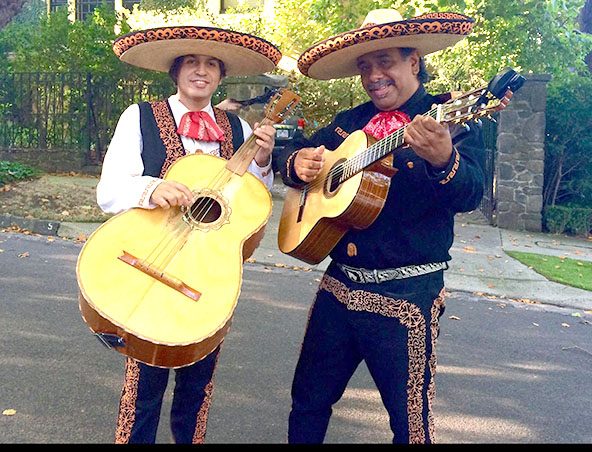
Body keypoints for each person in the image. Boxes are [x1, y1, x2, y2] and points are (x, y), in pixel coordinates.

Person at [276, 9, 490, 443]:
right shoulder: (349, 123)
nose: (374, 75)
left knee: (411, 424)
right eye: (365, 66)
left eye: (385, 61)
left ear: (414, 61)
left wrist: (444, 160)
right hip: (338, 287)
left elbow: (469, 194)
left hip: (406, 295)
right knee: (307, 403)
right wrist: (296, 165)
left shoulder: (446, 115)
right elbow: (294, 152)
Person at [96, 23, 281, 443]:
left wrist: (264, 161)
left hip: (211, 270)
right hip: (151, 261)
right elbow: (108, 191)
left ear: (221, 75)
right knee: (144, 384)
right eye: (192, 62)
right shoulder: (139, 116)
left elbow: (252, 203)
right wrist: (152, 187)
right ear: (176, 71)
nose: (202, 71)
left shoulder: (238, 130)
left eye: (212, 64)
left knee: (198, 385)